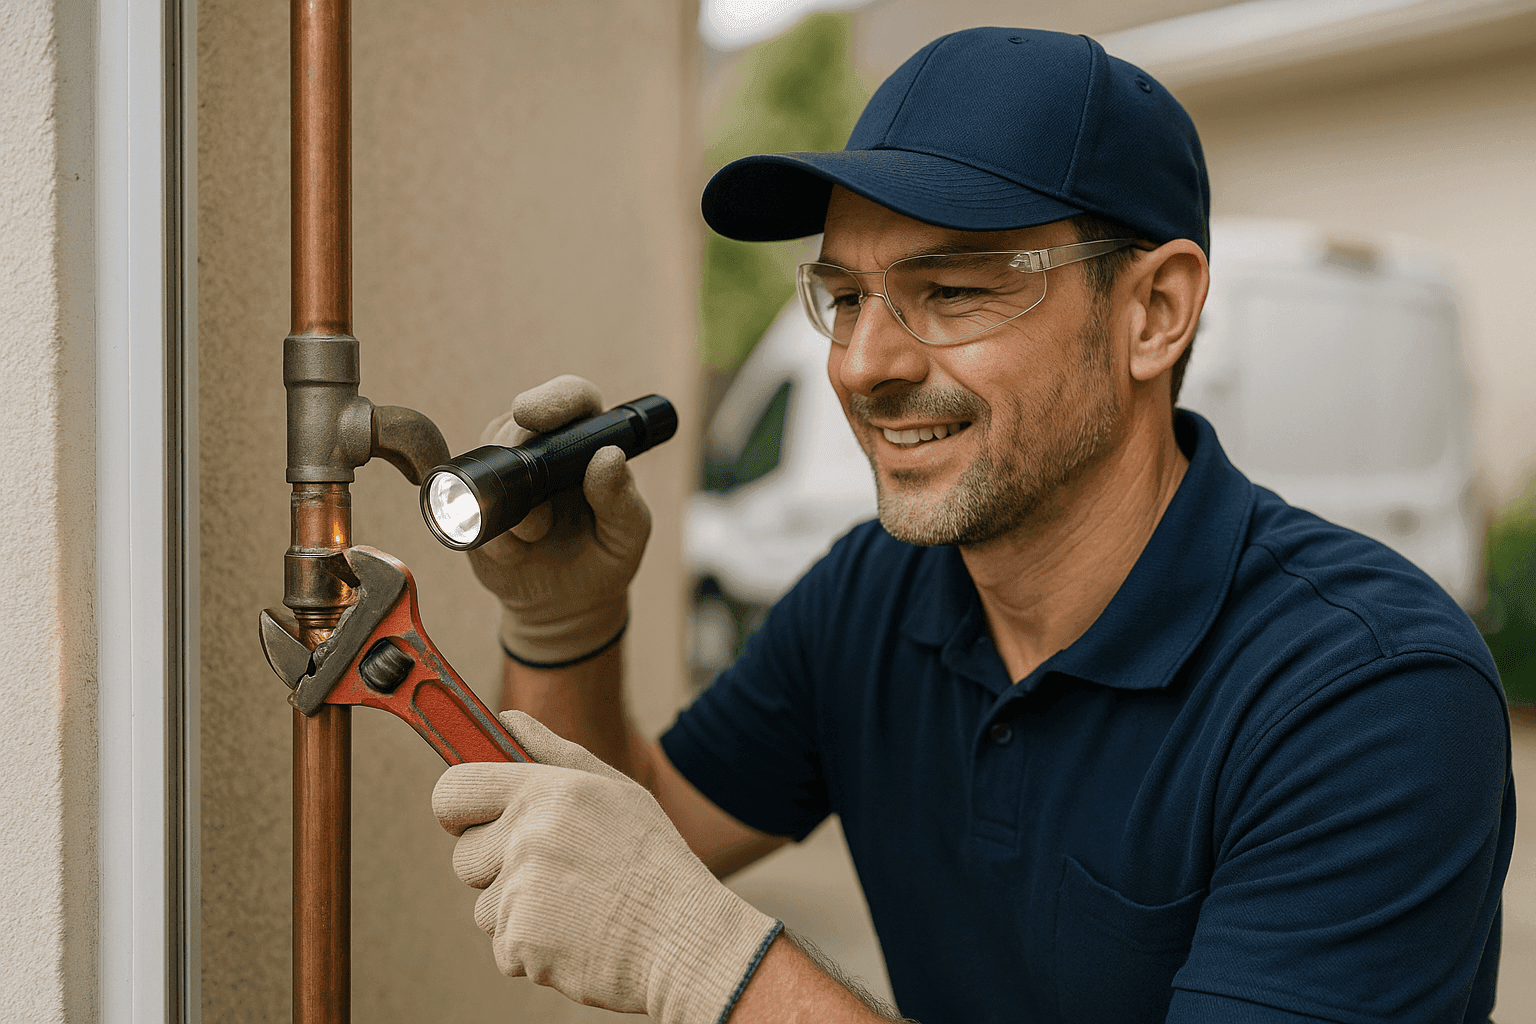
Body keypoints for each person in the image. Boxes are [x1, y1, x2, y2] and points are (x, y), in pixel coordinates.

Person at [430, 27, 1515, 1024]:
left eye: (950, 290)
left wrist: (708, 961)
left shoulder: (1371, 698)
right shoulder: (874, 595)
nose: (862, 365)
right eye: (846, 296)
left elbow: (667, 920)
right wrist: (564, 619)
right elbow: (631, 835)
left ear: (1155, 312)